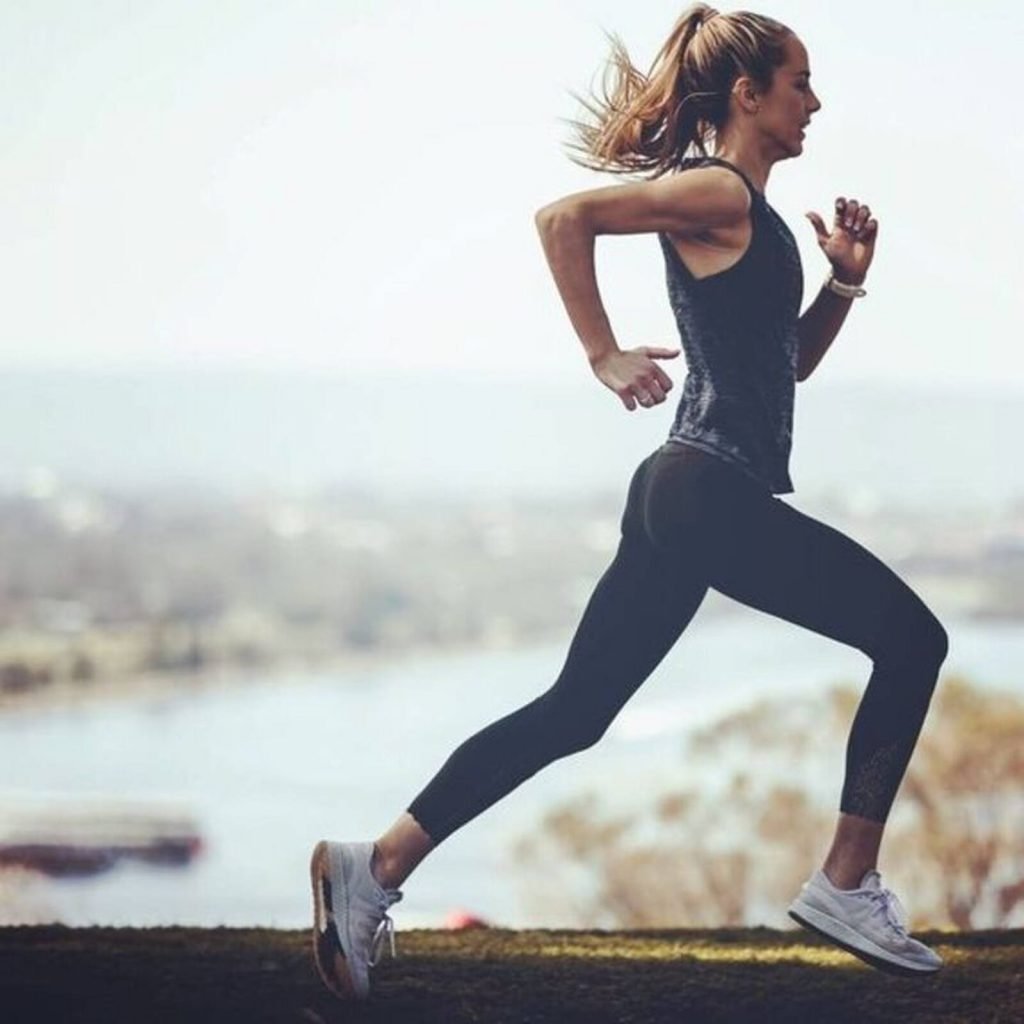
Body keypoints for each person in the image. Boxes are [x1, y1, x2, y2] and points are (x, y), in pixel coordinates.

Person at [310, 4, 950, 999]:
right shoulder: (716, 190)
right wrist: (601, 351)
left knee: (577, 708)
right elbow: (562, 218)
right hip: (705, 492)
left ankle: (375, 865)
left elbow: (782, 368)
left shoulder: (749, 214)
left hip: (681, 488)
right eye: (798, 82)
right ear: (748, 95)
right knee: (913, 641)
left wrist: (840, 286)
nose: (814, 101)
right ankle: (846, 879)